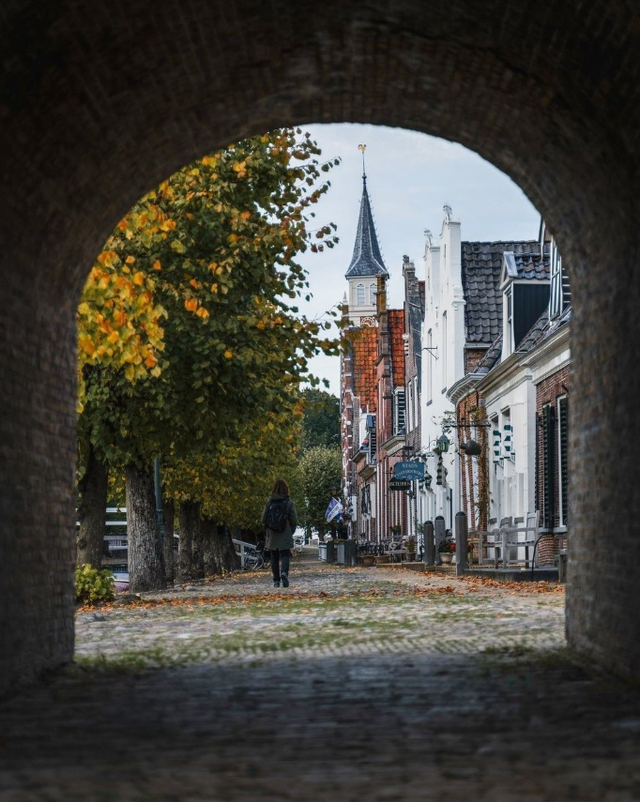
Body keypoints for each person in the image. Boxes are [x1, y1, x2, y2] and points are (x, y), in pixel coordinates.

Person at [261, 478, 298, 588]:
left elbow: (263, 519)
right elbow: (294, 519)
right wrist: (291, 530)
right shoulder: (289, 502)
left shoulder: (269, 502)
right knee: (285, 554)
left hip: (272, 532)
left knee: (274, 556)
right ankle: (284, 573)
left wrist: (267, 529)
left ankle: (276, 580)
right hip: (285, 530)